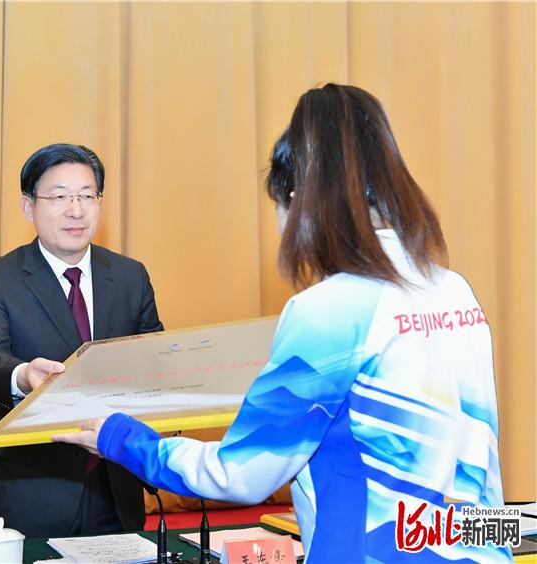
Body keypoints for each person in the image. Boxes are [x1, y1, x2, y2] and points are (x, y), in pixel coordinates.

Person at [55, 85, 511, 562]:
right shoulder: (453, 289)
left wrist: (121, 438)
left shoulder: (329, 311)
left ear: (298, 201)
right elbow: (484, 465)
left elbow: (241, 472)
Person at [0, 143, 163, 537]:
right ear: (28, 207)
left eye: (87, 196)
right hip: (31, 494)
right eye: (59, 197)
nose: (76, 210)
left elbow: (154, 359)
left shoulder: (130, 276)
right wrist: (24, 376)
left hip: (115, 489)